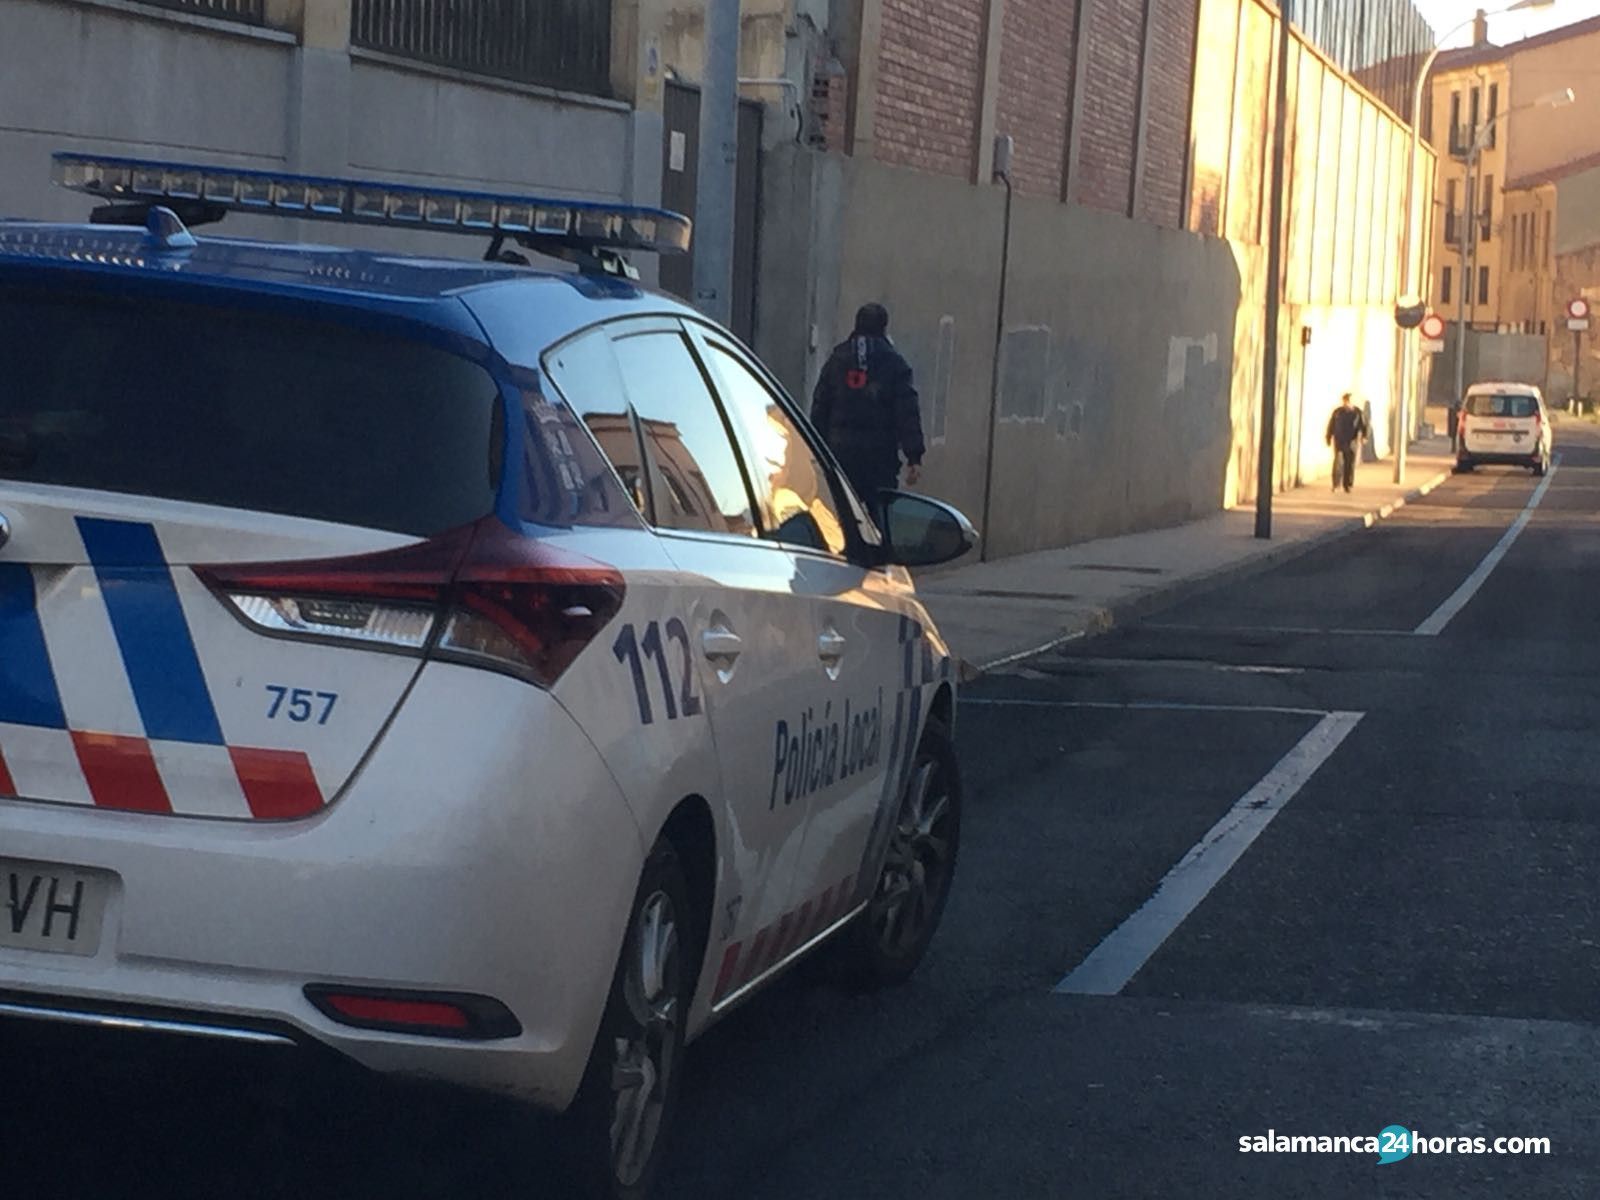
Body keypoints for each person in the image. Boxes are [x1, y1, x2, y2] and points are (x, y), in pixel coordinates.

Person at [810, 303, 925, 501]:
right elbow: (906, 412)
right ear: (883, 327)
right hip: (879, 461)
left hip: (839, 458)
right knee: (876, 518)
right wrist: (914, 457)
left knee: (840, 515)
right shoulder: (894, 363)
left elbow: (820, 407)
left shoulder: (837, 359)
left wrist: (815, 452)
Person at [1326, 392, 1368, 493]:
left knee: (1350, 463)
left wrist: (1364, 436)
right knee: (1338, 462)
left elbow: (1363, 425)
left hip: (1351, 441)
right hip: (1339, 440)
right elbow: (1331, 424)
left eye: (1348, 401)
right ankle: (1336, 484)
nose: (1346, 403)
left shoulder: (1357, 412)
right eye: (1345, 401)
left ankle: (1347, 484)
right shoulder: (1338, 412)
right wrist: (1328, 436)